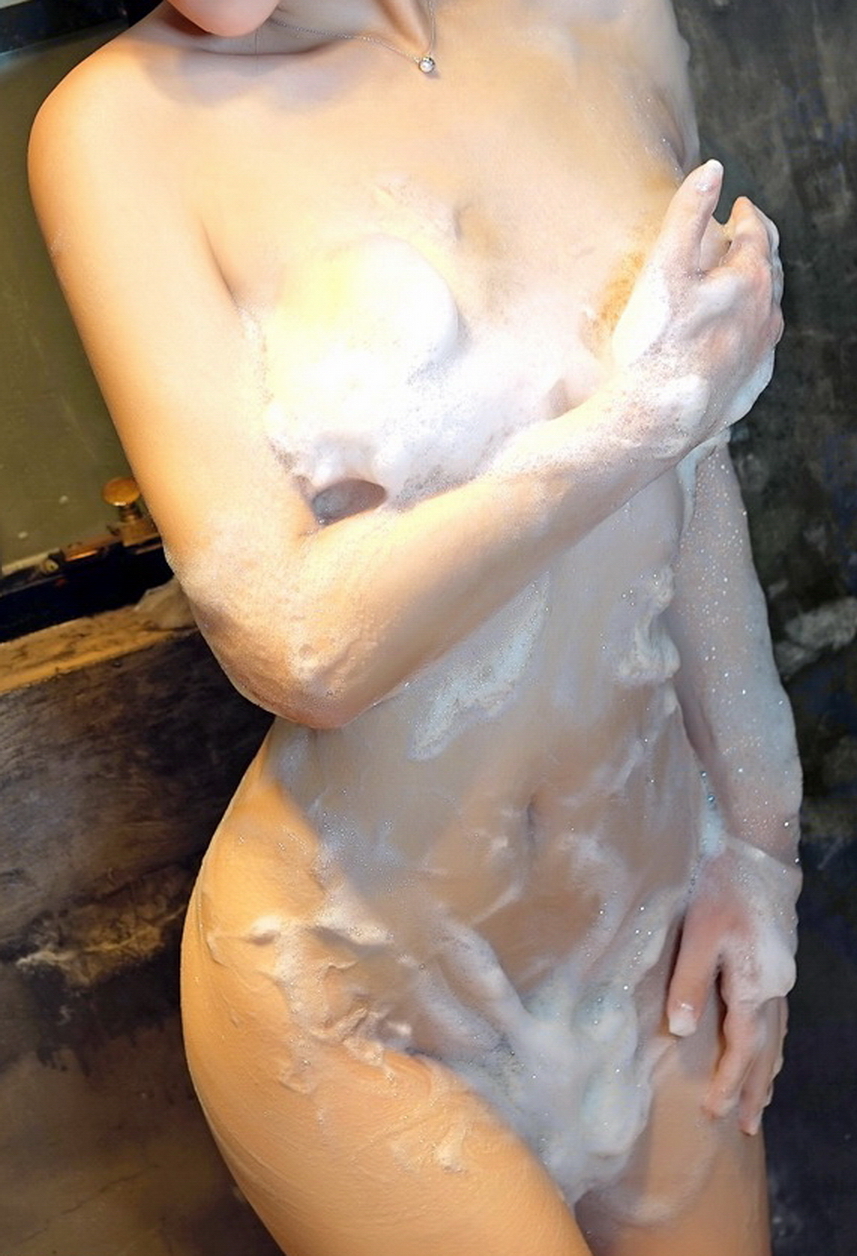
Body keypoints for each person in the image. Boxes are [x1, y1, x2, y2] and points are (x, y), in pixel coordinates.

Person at [29, 0, 802, 1252]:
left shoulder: (598, 19)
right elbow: (296, 643)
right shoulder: (119, 130)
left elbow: (693, 473)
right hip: (357, 1007)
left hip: (643, 926)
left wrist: (757, 846)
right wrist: (630, 426)